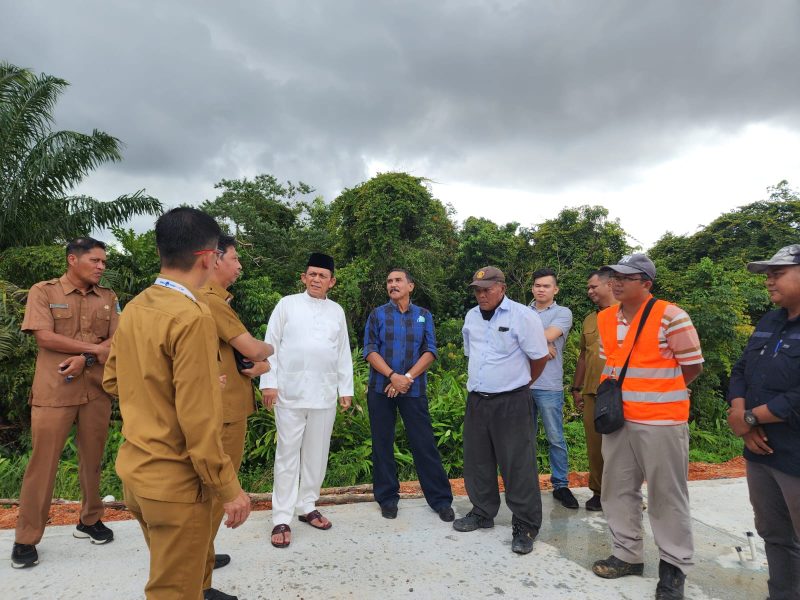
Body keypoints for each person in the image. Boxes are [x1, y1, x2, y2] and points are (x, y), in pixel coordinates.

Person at [103, 207, 251, 600]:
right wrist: (229, 488)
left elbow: (113, 379)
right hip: (176, 483)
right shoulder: (192, 316)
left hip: (137, 472)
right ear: (207, 257)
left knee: (175, 575)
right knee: (173, 591)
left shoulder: (135, 307)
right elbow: (199, 422)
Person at [590, 254, 703, 600]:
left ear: (647, 284)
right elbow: (614, 362)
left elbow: (692, 367)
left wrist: (659, 392)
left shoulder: (672, 316)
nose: (617, 282)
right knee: (616, 488)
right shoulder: (606, 317)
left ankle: (673, 567)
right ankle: (627, 554)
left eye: (627, 276)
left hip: (661, 422)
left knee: (666, 495)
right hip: (619, 420)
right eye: (614, 276)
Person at [11, 238, 119, 569]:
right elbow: (44, 337)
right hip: (54, 391)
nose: (102, 266)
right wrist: (94, 351)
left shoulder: (108, 297)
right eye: (95, 260)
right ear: (73, 259)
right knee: (43, 464)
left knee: (93, 460)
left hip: (95, 390)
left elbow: (119, 339)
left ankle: (89, 520)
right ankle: (26, 538)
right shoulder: (43, 292)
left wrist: (86, 358)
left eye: (104, 261)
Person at [260, 253, 353, 549]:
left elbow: (342, 351)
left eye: (322, 275)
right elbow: (270, 343)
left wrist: (345, 389)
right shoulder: (287, 304)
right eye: (311, 274)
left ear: (332, 282)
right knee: (287, 455)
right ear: (303, 277)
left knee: (316, 454)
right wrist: (269, 383)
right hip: (289, 392)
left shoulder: (336, 311)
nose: (316, 279)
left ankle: (307, 506)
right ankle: (281, 517)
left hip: (324, 394)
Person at [454, 266, 549, 555]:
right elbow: (474, 356)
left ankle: (525, 525)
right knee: (477, 460)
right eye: (477, 290)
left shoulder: (523, 316)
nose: (481, 295)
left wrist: (520, 385)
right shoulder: (471, 317)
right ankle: (483, 512)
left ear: (502, 288)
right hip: (478, 400)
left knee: (517, 464)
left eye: (487, 289)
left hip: (512, 401)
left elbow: (540, 358)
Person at [199, 235, 273, 600]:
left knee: (212, 493)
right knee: (214, 493)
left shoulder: (213, 300)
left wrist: (256, 365)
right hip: (223, 412)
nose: (239, 265)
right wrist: (269, 352)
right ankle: (200, 582)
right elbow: (253, 348)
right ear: (214, 260)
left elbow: (239, 358)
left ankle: (205, 558)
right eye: (234, 257)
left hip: (227, 404)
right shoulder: (211, 300)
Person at [726, 244, 800, 600]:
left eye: (778, 273)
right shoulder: (770, 320)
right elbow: (741, 370)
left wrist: (751, 418)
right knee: (775, 535)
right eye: (767, 274)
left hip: (795, 455)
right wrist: (740, 415)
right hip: (761, 452)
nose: (769, 281)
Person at [363, 268, 454, 521]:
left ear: (410, 286)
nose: (393, 284)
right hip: (381, 389)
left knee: (424, 444)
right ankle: (388, 498)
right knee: (382, 444)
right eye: (389, 281)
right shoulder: (377, 315)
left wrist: (407, 379)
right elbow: (370, 350)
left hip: (414, 390)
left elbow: (430, 351)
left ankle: (440, 500)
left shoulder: (424, 315)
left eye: (398, 280)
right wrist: (393, 376)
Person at [528, 268, 576, 509]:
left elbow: (550, 333)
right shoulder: (521, 312)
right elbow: (510, 339)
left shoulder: (563, 313)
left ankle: (561, 485)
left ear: (555, 289)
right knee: (525, 439)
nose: (541, 289)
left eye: (546, 286)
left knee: (555, 437)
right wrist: (543, 345)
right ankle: (526, 484)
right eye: (537, 285)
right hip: (522, 385)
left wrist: (534, 339)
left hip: (549, 386)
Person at [570, 269, 617, 511]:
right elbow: (583, 356)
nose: (589, 291)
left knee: (622, 446)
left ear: (610, 284)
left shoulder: (629, 313)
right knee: (595, 445)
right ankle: (598, 492)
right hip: (592, 391)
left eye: (593, 287)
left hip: (622, 392)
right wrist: (576, 388)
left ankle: (623, 494)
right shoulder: (590, 319)